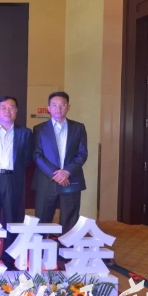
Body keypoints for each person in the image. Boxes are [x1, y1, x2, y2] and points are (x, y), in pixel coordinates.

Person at [0, 96, 33, 270]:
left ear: (16, 111)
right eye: (3, 107)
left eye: (11, 107)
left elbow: (27, 158)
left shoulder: (25, 133)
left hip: (13, 179)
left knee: (13, 219)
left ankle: (9, 258)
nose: (7, 111)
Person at [32, 91, 88, 237]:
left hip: (71, 179)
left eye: (62, 105)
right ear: (48, 108)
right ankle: (42, 249)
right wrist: (55, 174)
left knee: (70, 220)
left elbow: (82, 153)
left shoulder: (79, 128)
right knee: (42, 219)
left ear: (68, 107)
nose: (58, 108)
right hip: (46, 181)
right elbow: (37, 155)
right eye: (55, 105)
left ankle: (66, 250)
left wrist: (66, 172)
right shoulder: (39, 129)